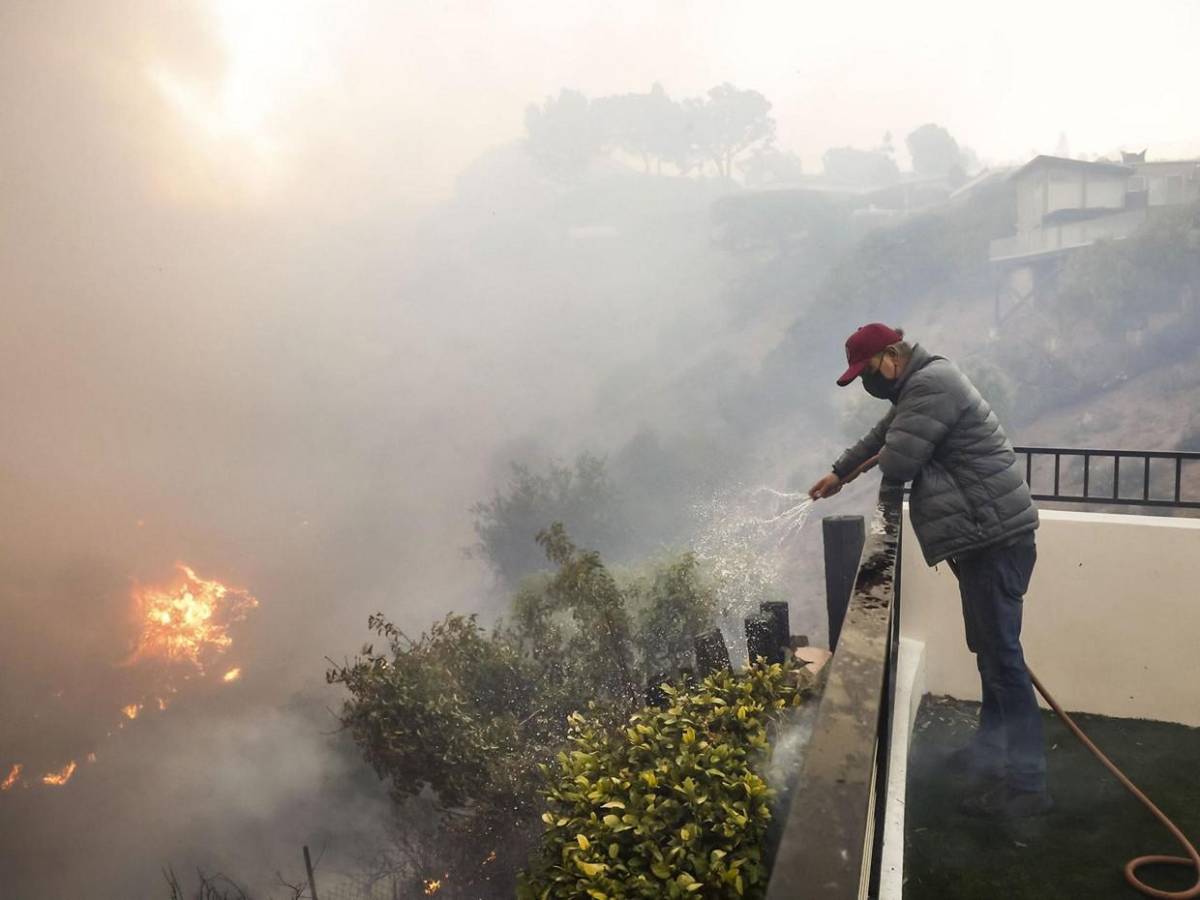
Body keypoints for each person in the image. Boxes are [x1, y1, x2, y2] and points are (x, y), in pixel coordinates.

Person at [808, 323, 1050, 818]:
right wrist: (840, 470)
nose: (868, 385)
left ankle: (1028, 788)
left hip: (995, 537)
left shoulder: (930, 384)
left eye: (868, 372)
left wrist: (868, 467)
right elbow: (883, 436)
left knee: (1004, 662)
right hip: (986, 536)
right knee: (992, 656)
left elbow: (898, 458)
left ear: (892, 355)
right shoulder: (917, 386)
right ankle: (990, 752)